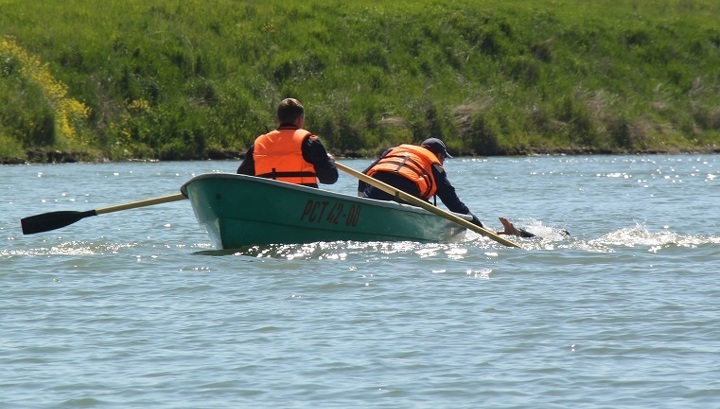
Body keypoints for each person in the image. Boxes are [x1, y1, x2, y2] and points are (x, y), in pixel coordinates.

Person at [357, 138, 536, 238]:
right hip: (407, 195)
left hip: (375, 192)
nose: (443, 162)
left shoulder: (394, 150)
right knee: (436, 215)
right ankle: (500, 234)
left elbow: (362, 177)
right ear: (440, 155)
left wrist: (362, 203)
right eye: (444, 158)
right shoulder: (435, 166)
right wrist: (481, 229)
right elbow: (454, 205)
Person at [237, 98, 338, 188]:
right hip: (301, 201)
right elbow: (329, 178)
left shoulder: (258, 144)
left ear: (278, 118)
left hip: (267, 201)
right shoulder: (310, 142)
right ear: (300, 119)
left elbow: (242, 178)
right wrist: (330, 161)